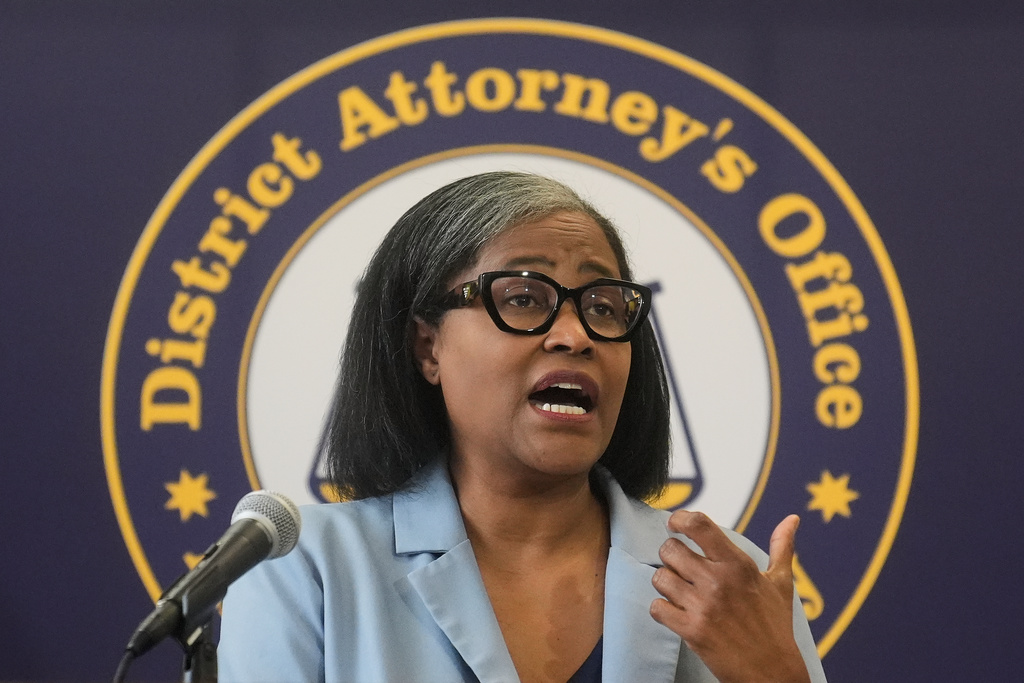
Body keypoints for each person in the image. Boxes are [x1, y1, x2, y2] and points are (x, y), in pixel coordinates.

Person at [218, 171, 827, 682]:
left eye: (605, 308)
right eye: (524, 297)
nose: (576, 335)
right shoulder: (306, 569)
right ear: (428, 347)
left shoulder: (724, 580)